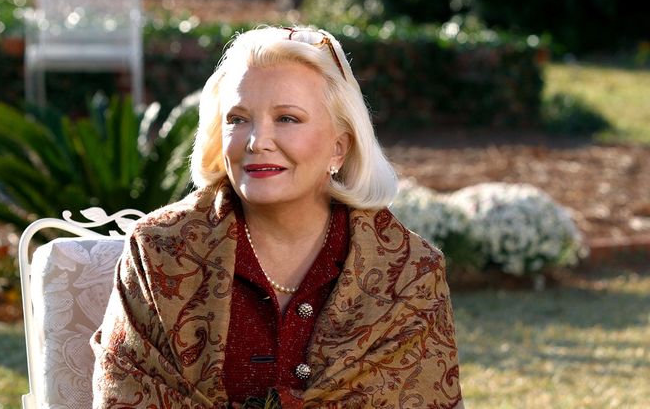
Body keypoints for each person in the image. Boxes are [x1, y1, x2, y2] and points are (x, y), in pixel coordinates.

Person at [91, 25, 464, 408]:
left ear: (339, 147)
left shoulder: (409, 273)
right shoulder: (159, 251)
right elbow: (126, 395)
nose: (257, 141)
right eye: (237, 119)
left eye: (287, 118)